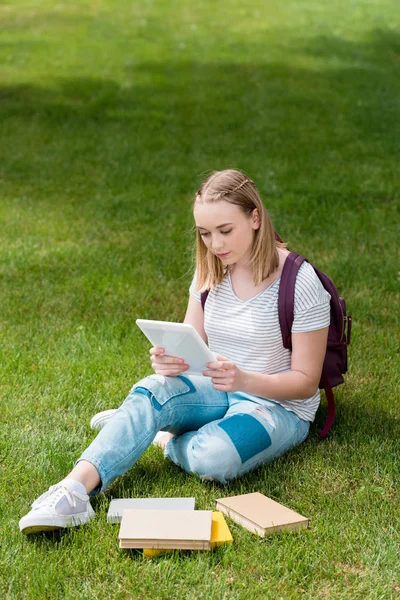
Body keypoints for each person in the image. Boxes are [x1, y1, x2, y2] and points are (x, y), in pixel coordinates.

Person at [19, 169, 330, 534]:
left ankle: (156, 434)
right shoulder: (211, 270)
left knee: (214, 457)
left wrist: (244, 379)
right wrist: (171, 361)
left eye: (225, 231)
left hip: (276, 408)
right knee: (153, 388)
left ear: (255, 218)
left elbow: (306, 383)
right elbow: (192, 341)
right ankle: (72, 490)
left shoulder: (300, 281)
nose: (215, 244)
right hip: (216, 386)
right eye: (205, 233)